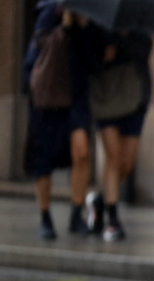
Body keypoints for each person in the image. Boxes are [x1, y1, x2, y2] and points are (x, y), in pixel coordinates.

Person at [23, 2, 101, 240]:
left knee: (82, 153)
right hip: (47, 99)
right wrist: (65, 28)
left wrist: (84, 28)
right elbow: (37, 57)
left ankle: (76, 214)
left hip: (76, 97)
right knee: (43, 161)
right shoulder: (49, 14)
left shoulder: (88, 17)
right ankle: (45, 217)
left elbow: (93, 61)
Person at [87, 30, 153, 242]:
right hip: (106, 95)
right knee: (113, 157)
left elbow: (143, 51)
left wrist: (122, 42)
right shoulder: (98, 24)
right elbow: (87, 59)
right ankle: (113, 221)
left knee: (125, 164)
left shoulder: (139, 23)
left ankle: (99, 200)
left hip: (134, 97)